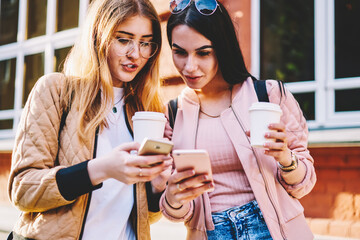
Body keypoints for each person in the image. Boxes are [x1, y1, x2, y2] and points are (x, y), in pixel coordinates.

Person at [7, 0, 172, 239]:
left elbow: (144, 214)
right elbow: (23, 190)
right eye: (123, 39)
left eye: (145, 43)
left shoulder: (146, 110)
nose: (135, 54)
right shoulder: (57, 91)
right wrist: (100, 170)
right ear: (98, 37)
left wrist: (157, 186)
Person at [160, 0, 317, 239]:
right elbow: (180, 213)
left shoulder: (268, 95)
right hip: (212, 232)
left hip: (272, 230)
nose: (189, 66)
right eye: (179, 52)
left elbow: (304, 185)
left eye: (203, 53)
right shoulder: (173, 114)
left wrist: (285, 157)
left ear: (222, 48)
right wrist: (173, 197)